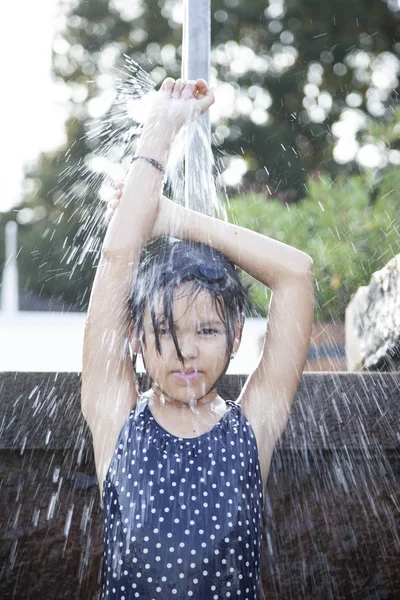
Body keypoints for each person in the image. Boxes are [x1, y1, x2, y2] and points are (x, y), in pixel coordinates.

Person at [81, 77, 314, 600]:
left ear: (236, 334)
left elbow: (296, 274)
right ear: (135, 338)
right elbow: (119, 258)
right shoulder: (115, 418)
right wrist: (161, 128)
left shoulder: (253, 428)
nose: (186, 351)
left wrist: (174, 218)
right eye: (165, 331)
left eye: (207, 330)